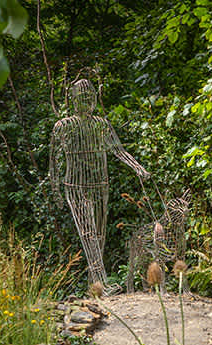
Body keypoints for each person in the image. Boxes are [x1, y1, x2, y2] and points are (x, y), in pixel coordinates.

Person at [49, 79, 150, 292]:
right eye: (82, 98)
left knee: (99, 236)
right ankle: (103, 284)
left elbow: (118, 150)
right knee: (88, 234)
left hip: (99, 184)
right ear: (73, 101)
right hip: (75, 185)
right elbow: (53, 161)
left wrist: (138, 167)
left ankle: (92, 286)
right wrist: (56, 190)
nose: (86, 102)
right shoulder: (63, 126)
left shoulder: (101, 124)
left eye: (90, 98)